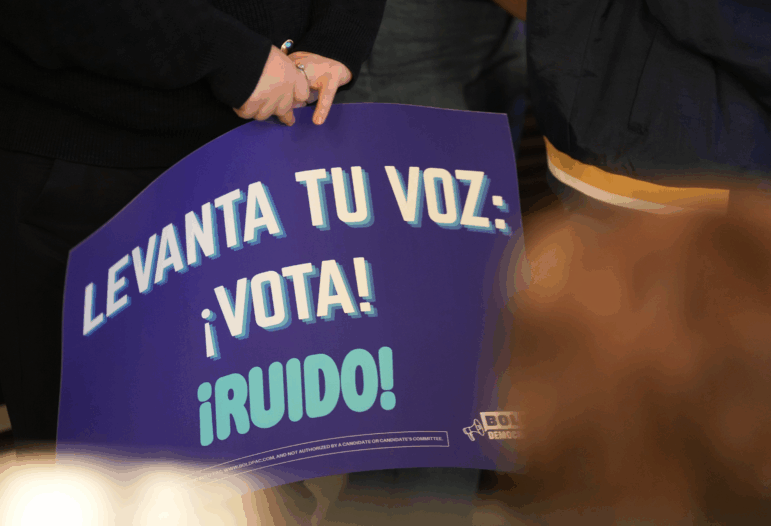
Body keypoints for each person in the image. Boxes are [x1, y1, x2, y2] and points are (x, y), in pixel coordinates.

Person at [0, 0, 386, 448]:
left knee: (257, 459)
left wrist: (335, 40)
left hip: (260, 152)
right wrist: (232, 55)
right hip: (85, 162)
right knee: (88, 464)